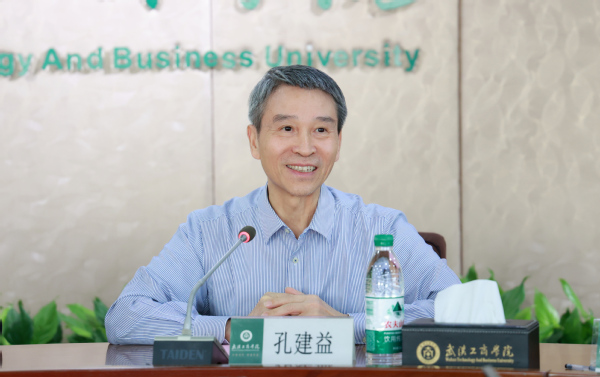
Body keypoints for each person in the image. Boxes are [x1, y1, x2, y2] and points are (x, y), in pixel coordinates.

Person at [105, 65, 460, 345]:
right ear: (254, 141)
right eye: (287, 128)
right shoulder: (208, 232)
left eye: (321, 130)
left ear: (338, 143)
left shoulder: (383, 230)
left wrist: (346, 325)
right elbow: (126, 316)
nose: (305, 148)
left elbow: (458, 311)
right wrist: (236, 328)